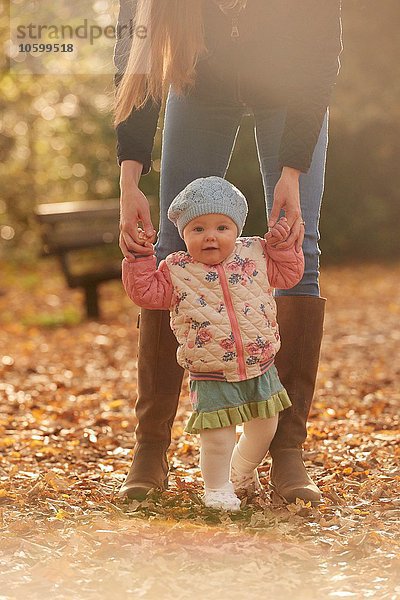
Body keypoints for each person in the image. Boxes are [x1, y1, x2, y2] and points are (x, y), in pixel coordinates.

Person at [114, 0, 343, 504]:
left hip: (288, 89)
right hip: (200, 82)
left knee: (295, 240)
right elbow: (138, 65)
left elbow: (321, 58)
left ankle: (286, 449)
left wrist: (292, 172)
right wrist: (130, 180)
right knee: (175, 246)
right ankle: (151, 446)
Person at [122, 176, 304, 510]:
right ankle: (217, 488)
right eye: (198, 229)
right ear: (184, 235)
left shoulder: (256, 255)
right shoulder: (176, 270)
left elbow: (289, 275)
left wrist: (281, 246)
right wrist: (139, 257)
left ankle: (242, 469)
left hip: (260, 365)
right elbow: (145, 292)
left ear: (236, 230)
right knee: (218, 437)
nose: (210, 236)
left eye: (222, 227)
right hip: (211, 371)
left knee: (265, 428)